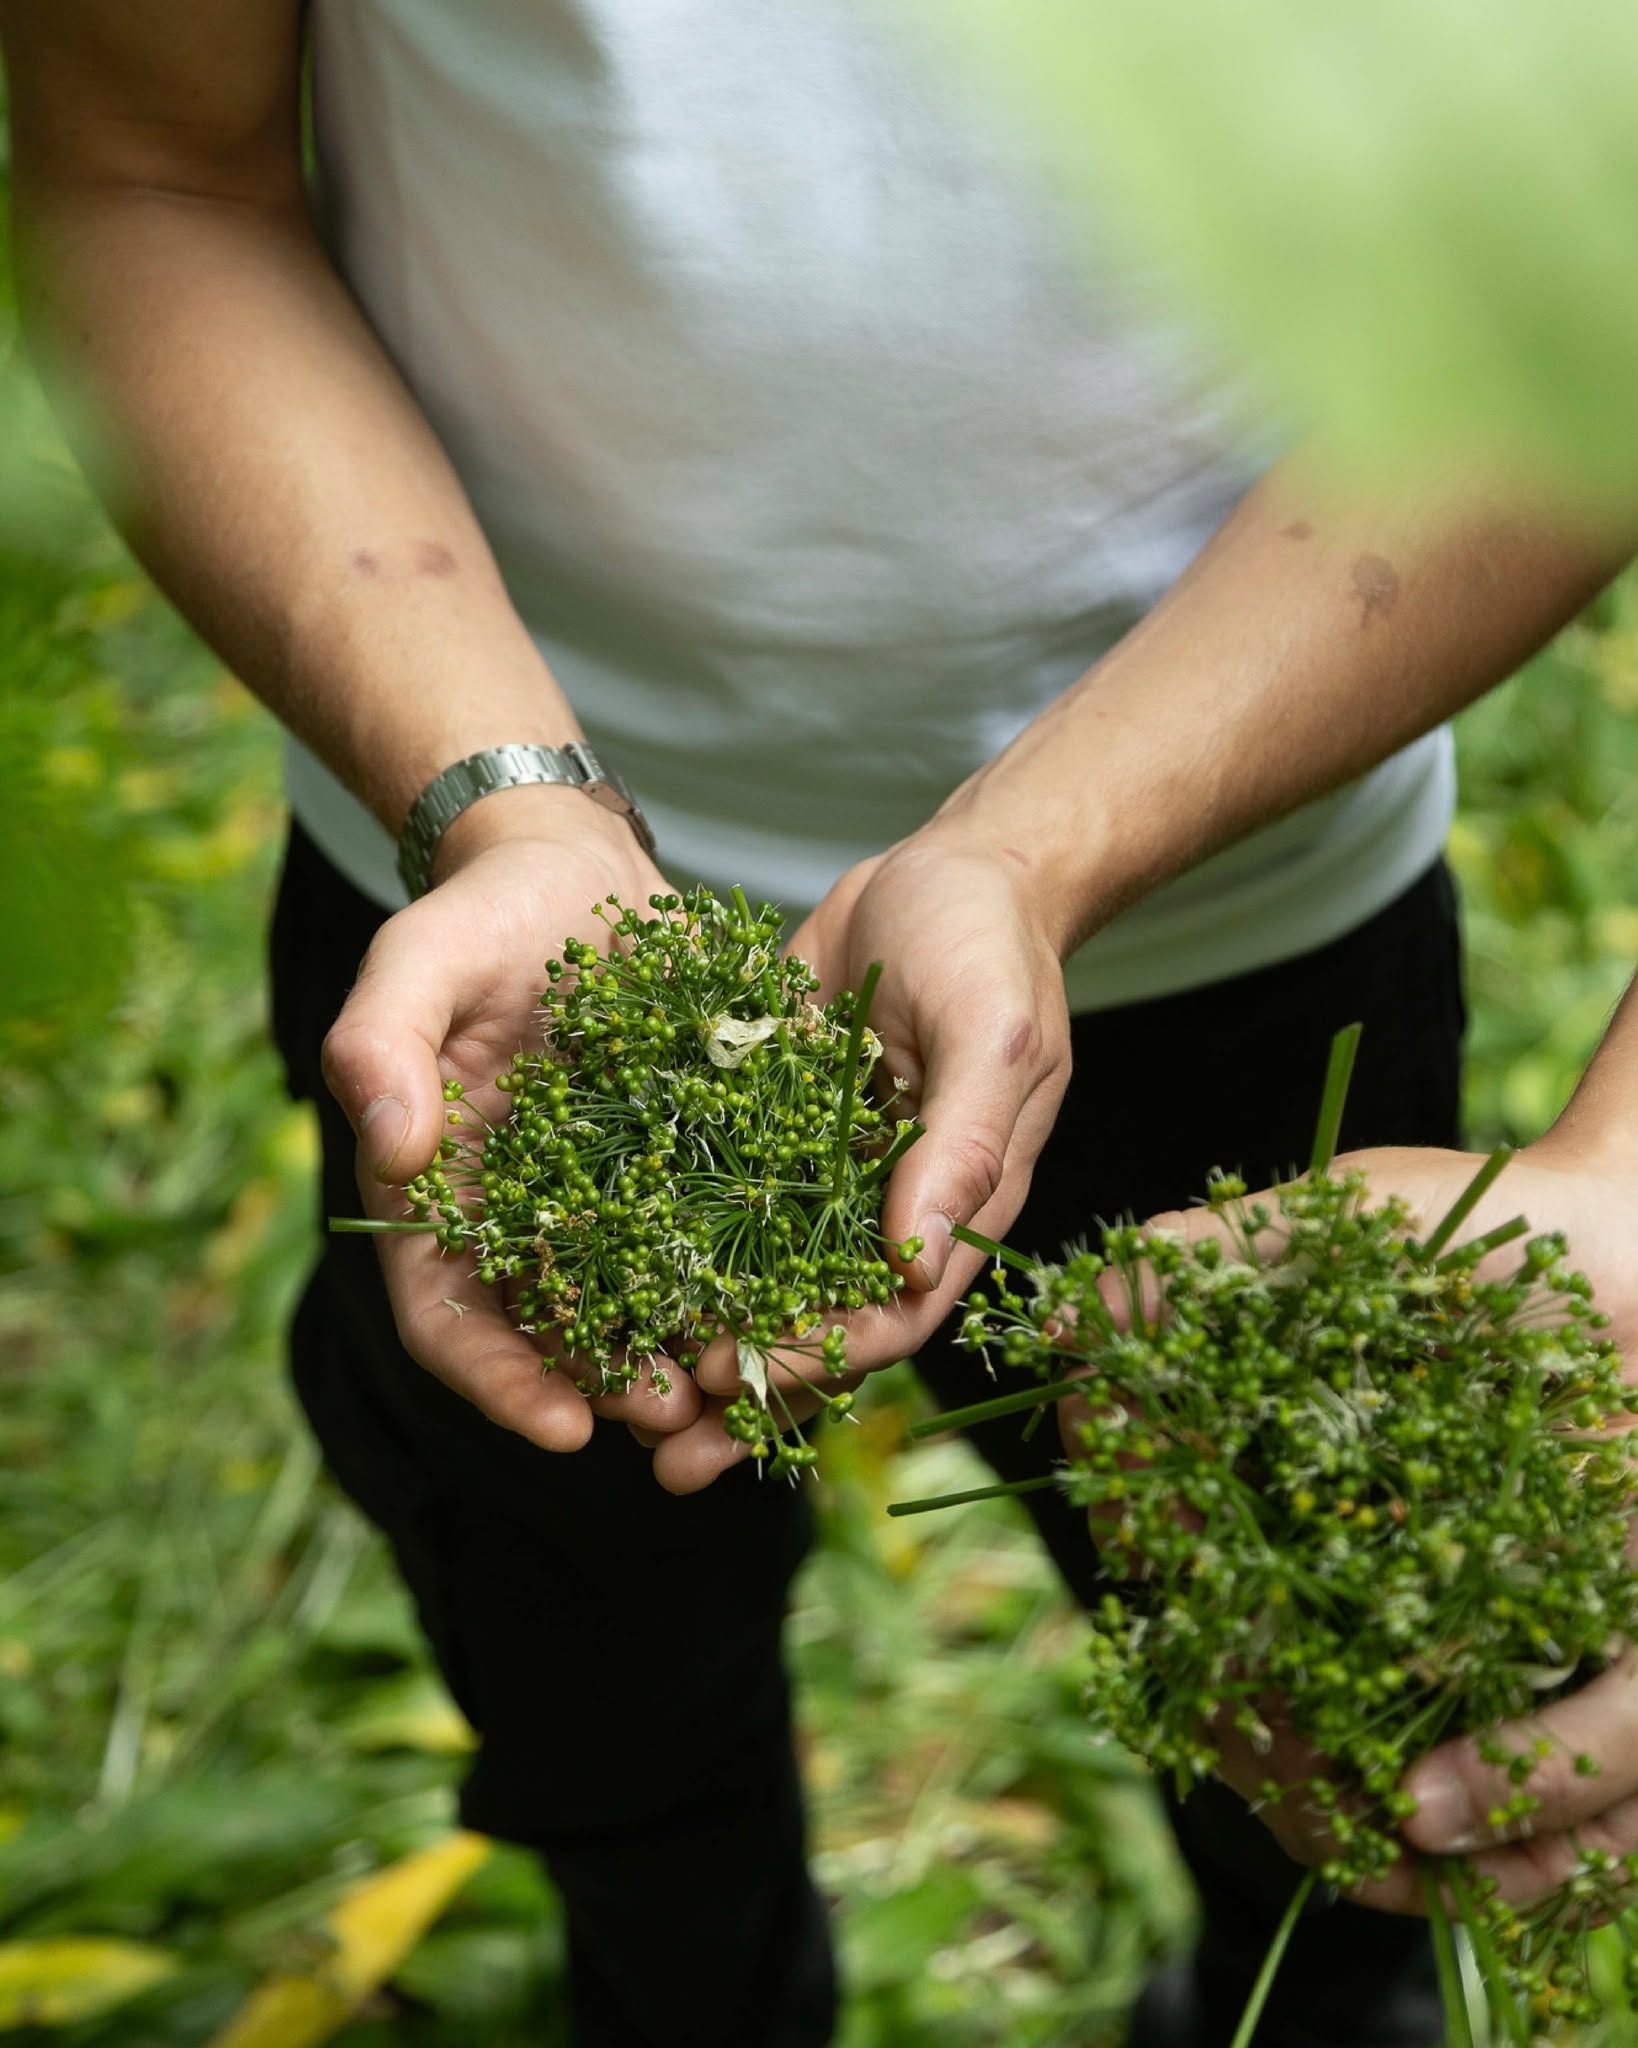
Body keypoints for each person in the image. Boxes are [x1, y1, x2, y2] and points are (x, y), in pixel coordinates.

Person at [4, 7, 1635, 2044]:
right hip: (488, 925)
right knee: (587, 1640)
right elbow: (152, 170)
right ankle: (686, 1979)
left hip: (1252, 866)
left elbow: (1577, 278)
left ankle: (1313, 1995)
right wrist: (503, 797)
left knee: (1329, 1651)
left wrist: (1036, 849)